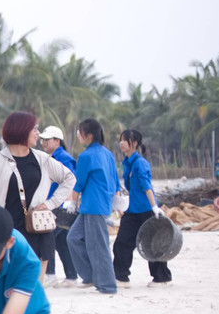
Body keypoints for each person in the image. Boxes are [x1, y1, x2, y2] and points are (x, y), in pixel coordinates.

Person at [0, 111, 75, 275]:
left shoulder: (42, 159)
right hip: (8, 231)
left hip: (37, 229)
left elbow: (69, 178)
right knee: (11, 284)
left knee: (35, 288)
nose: (38, 134)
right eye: (34, 129)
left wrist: (50, 204)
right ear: (21, 130)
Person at [65, 118, 120, 295]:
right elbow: (115, 181)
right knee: (73, 238)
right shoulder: (108, 154)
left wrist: (72, 201)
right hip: (96, 205)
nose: (78, 136)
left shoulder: (86, 156)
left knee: (99, 246)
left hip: (94, 205)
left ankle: (107, 285)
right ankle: (89, 276)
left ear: (88, 136)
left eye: (80, 132)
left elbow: (79, 182)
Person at [114, 129, 171, 287]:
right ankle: (120, 277)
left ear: (135, 143)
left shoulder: (140, 163)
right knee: (122, 242)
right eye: (121, 140)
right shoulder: (127, 162)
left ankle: (161, 278)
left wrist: (154, 207)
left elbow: (147, 186)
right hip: (132, 211)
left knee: (153, 244)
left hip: (147, 210)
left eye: (125, 140)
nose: (122, 143)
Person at [37, 125, 79, 284]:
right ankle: (71, 276)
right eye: (42, 139)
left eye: (47, 139)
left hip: (60, 206)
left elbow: (71, 181)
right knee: (61, 242)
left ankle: (50, 274)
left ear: (57, 141)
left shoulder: (64, 158)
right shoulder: (52, 157)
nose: (43, 142)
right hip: (53, 204)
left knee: (47, 238)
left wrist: (69, 203)